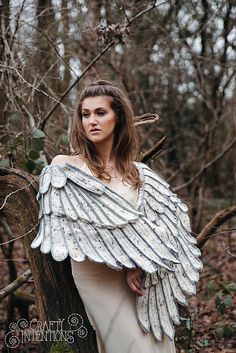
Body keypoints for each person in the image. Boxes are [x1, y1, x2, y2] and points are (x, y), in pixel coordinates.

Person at [31, 80, 202, 353]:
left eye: (100, 113)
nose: (91, 121)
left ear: (118, 117)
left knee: (157, 346)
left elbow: (163, 229)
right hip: (97, 276)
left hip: (140, 281)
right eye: (85, 115)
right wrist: (128, 257)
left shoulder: (139, 174)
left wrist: (139, 262)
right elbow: (74, 230)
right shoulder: (65, 167)